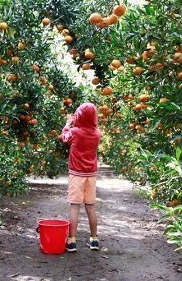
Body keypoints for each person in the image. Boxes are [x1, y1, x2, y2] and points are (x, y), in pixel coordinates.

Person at [61, 102, 101, 252]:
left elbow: (64, 137)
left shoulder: (75, 131)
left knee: (74, 206)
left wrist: (68, 123)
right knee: (90, 207)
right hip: (91, 175)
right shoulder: (97, 134)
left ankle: (71, 241)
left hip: (77, 175)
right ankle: (94, 239)